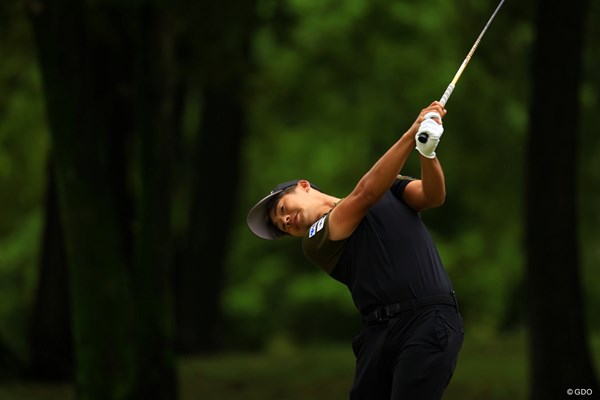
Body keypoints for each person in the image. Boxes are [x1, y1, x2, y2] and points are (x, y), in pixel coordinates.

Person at [247, 101, 463, 399]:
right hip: (379, 336)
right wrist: (412, 132)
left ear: (304, 186)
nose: (285, 220)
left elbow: (432, 196)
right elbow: (365, 194)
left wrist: (428, 152)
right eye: (282, 226)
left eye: (282, 208)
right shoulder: (316, 240)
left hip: (429, 320)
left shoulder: (391, 187)